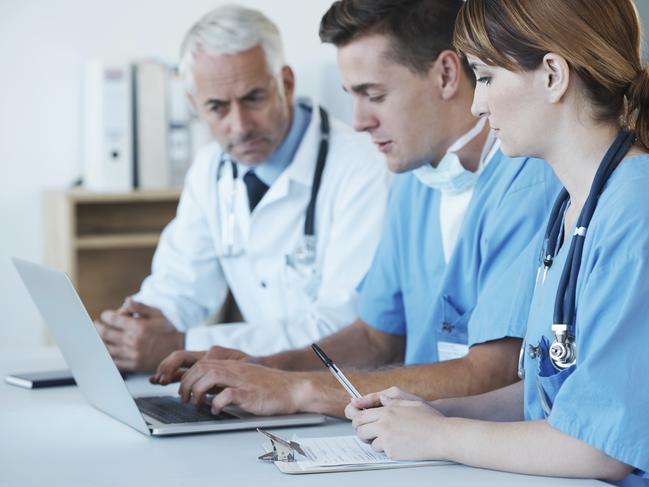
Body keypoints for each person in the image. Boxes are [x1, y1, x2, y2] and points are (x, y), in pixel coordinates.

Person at [151, 0, 559, 418]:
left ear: (446, 74)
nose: (359, 121)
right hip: (413, 438)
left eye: (374, 95)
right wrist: (262, 368)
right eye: (352, 96)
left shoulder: (527, 181)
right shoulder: (413, 183)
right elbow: (374, 337)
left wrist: (298, 390)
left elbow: (492, 375)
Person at [345, 0, 649, 483]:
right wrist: (434, 412)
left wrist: (439, 437)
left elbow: (598, 446)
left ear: (552, 75)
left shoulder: (634, 210)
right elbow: (547, 394)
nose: (476, 104)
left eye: (485, 77)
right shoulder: (571, 208)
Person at [94, 5, 391, 372]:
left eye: (253, 98)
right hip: (263, 389)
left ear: (285, 83)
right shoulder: (210, 170)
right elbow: (179, 287)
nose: (240, 126)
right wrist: (133, 328)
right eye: (217, 107)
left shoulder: (363, 167)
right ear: (193, 104)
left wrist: (186, 345)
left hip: (345, 392)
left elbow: (345, 327)